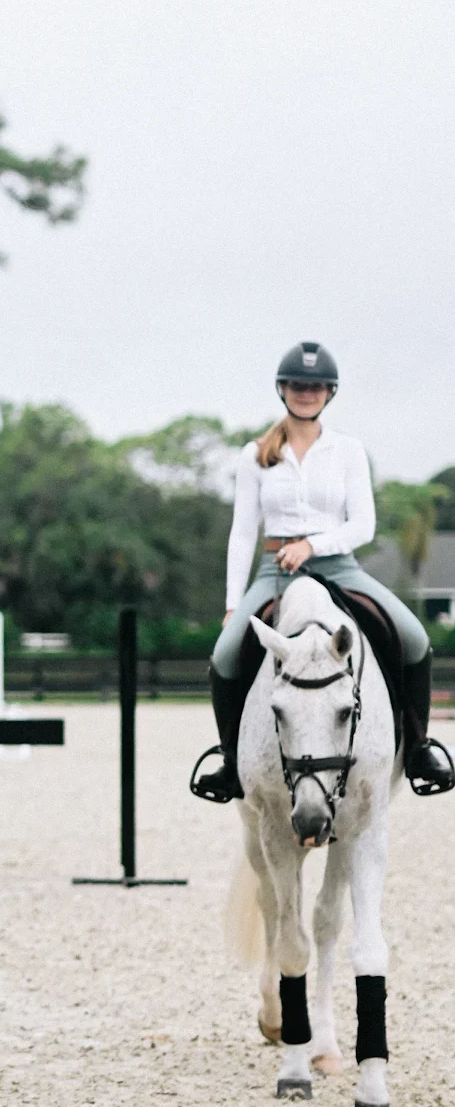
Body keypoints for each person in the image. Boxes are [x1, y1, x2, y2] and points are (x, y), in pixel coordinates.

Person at [191, 339, 453, 801]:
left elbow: (363, 525)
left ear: (329, 392)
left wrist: (313, 544)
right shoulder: (255, 455)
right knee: (225, 655)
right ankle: (230, 762)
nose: (305, 393)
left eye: (315, 386)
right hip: (275, 572)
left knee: (414, 639)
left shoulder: (347, 451)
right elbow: (242, 533)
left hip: (340, 568)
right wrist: (233, 603)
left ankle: (418, 748)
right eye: (297, 385)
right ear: (282, 389)